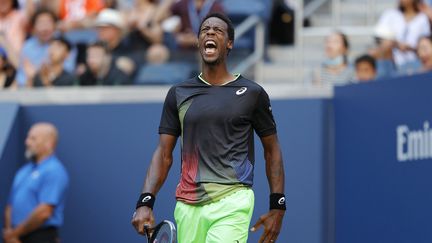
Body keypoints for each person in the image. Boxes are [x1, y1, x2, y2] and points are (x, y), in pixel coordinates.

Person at [131, 12, 286, 243]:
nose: (210, 32)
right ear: (199, 42)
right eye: (205, 30)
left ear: (230, 43)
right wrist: (145, 201)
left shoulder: (253, 93)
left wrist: (278, 205)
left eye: (218, 30)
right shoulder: (178, 94)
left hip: (233, 199)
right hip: (187, 205)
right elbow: (163, 154)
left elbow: (272, 151)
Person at [2, 122, 69, 243]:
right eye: (28, 138)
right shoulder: (24, 171)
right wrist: (10, 233)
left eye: (33, 138)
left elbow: (44, 212)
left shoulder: (55, 170)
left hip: (40, 236)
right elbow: (10, 206)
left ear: (49, 143)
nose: (27, 142)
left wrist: (14, 234)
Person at [15, 8, 76, 86]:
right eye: (40, 23)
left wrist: (40, 74)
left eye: (48, 23)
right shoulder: (27, 46)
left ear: (55, 25)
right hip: (31, 91)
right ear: (33, 28)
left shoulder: (64, 43)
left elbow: (68, 71)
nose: (44, 28)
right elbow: (21, 77)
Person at [376, 0, 431, 68]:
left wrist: (410, 48)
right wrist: (396, 44)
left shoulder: (423, 18)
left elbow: (426, 41)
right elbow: (380, 37)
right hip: (393, 60)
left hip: (416, 60)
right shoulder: (390, 14)